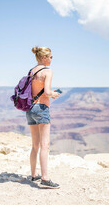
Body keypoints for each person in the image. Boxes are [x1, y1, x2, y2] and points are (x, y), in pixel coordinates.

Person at [26, 46, 61, 189]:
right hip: (41, 108)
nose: (52, 59)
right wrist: (54, 94)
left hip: (30, 109)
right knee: (45, 145)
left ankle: (34, 175)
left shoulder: (31, 71)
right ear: (45, 57)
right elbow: (46, 92)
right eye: (51, 57)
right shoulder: (47, 71)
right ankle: (45, 178)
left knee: (35, 145)